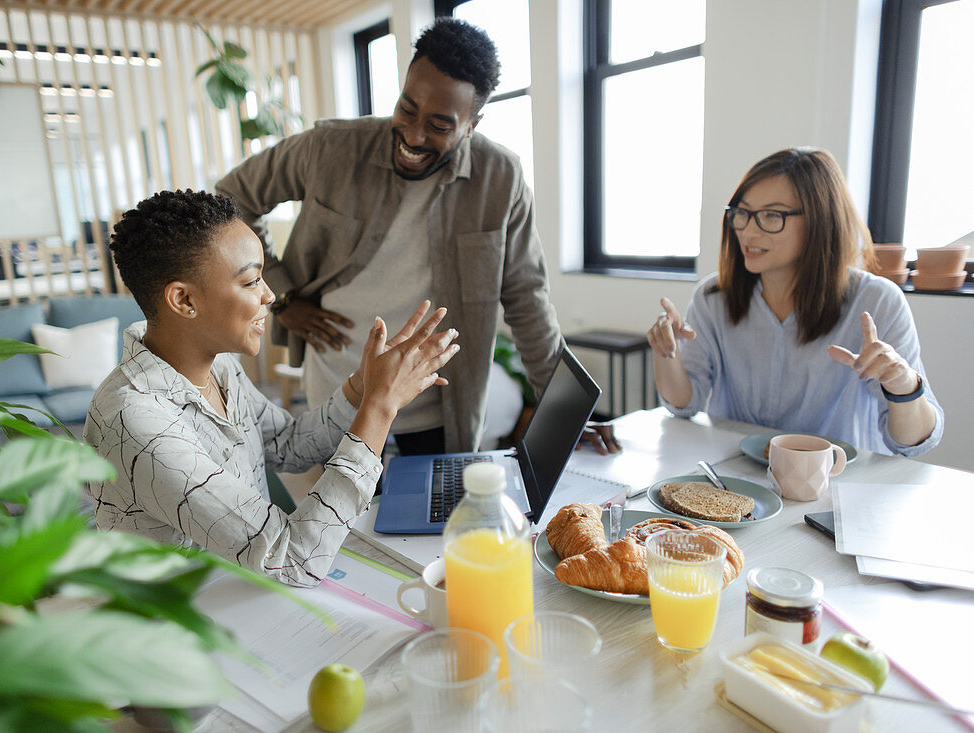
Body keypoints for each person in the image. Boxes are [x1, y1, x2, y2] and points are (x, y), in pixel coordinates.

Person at [215, 17, 619, 456]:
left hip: (438, 409)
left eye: (440, 125)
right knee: (347, 522)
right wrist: (284, 297)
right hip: (339, 400)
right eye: (407, 109)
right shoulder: (331, 148)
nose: (413, 135)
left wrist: (565, 418)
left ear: (472, 123)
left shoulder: (500, 178)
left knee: (435, 521)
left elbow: (527, 299)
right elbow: (230, 200)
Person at [84, 190, 459, 587]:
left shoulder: (219, 365)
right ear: (184, 299)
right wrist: (380, 407)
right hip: (186, 624)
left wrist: (361, 387)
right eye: (251, 280)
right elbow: (293, 559)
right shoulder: (135, 422)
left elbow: (287, 444)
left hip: (246, 592)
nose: (270, 295)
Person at [647, 148, 943, 456]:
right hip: (735, 478)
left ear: (820, 221)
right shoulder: (713, 297)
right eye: (743, 213)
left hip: (835, 483)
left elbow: (913, 442)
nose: (748, 230)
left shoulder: (877, 301)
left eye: (771, 216)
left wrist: (903, 385)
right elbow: (684, 404)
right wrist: (665, 352)